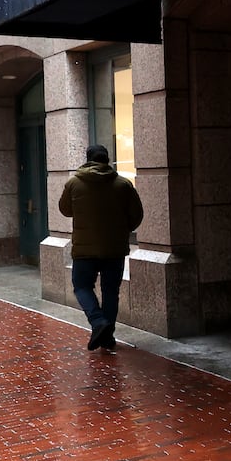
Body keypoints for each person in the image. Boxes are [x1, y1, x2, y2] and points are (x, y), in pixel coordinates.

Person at [58, 144, 144, 352]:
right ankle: (107, 337)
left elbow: (65, 210)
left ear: (88, 159)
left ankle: (98, 322)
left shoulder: (74, 183)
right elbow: (137, 215)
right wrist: (123, 230)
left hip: (84, 250)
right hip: (115, 249)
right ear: (107, 159)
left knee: (81, 286)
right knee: (111, 291)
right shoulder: (123, 184)